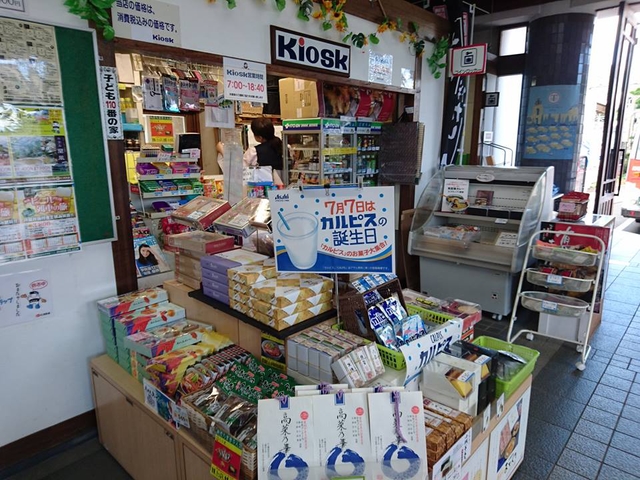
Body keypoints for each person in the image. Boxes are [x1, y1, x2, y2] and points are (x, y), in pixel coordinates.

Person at [216, 118, 284, 184]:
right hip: (282, 186)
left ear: (260, 137)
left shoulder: (254, 151)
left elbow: (237, 169)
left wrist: (222, 150)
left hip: (263, 187)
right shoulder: (282, 146)